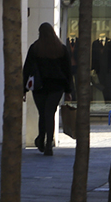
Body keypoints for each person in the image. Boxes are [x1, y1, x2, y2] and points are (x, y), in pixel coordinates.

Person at [23, 22, 74, 157]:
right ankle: (48, 143)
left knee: (43, 113)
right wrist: (68, 91)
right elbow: (68, 71)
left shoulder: (35, 48)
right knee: (49, 113)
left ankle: (41, 138)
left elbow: (27, 69)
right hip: (57, 87)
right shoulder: (61, 49)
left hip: (39, 87)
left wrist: (23, 90)